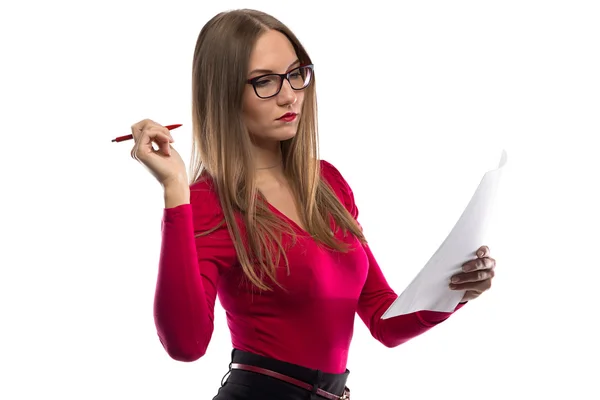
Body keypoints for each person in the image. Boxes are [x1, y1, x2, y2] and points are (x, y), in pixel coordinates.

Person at [129, 8, 497, 400]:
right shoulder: (208, 201)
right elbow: (185, 345)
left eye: (295, 73)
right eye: (264, 81)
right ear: (223, 95)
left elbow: (382, 318)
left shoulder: (328, 183)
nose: (289, 94)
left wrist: (455, 288)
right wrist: (174, 191)